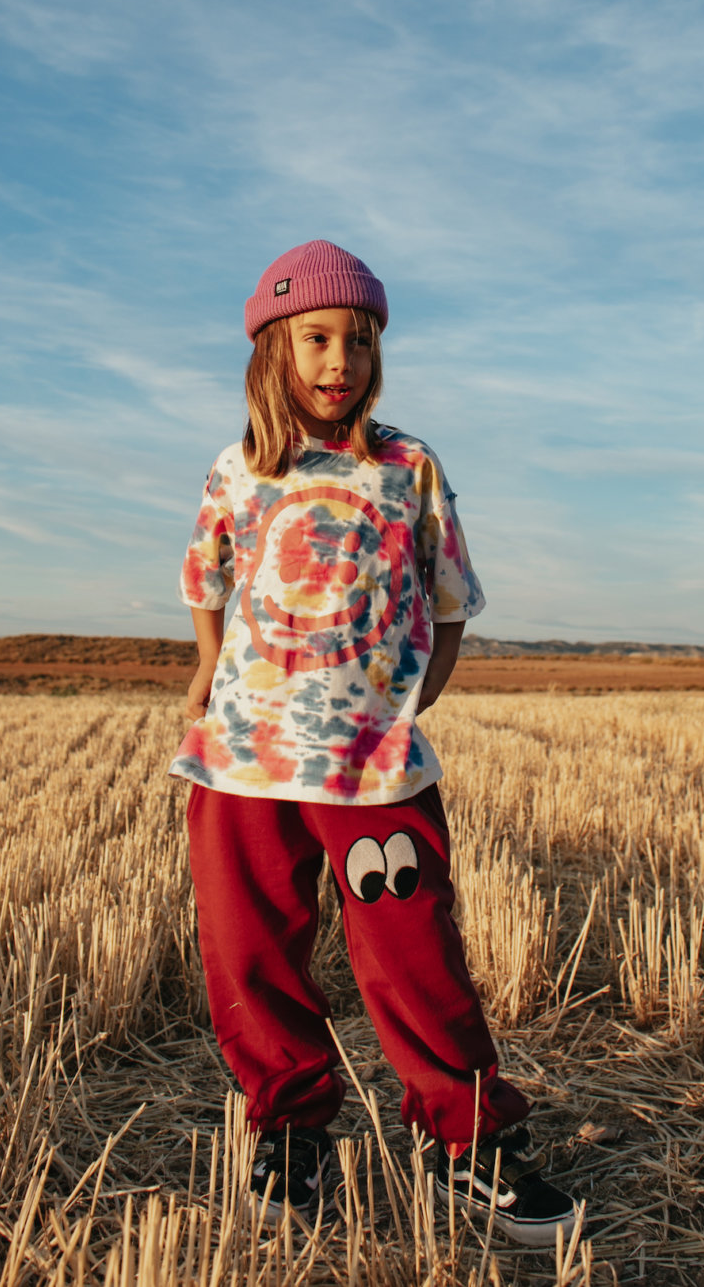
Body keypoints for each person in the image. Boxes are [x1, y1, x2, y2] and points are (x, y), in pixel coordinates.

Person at [169, 240, 578, 1244]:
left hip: (371, 764)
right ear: (272, 347)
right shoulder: (238, 469)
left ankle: (467, 1138)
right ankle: (292, 1127)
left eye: (359, 339)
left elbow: (449, 605)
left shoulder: (406, 465)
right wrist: (205, 678)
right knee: (250, 952)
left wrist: (411, 703)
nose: (338, 358)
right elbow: (207, 588)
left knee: (412, 955)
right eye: (316, 337)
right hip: (243, 765)